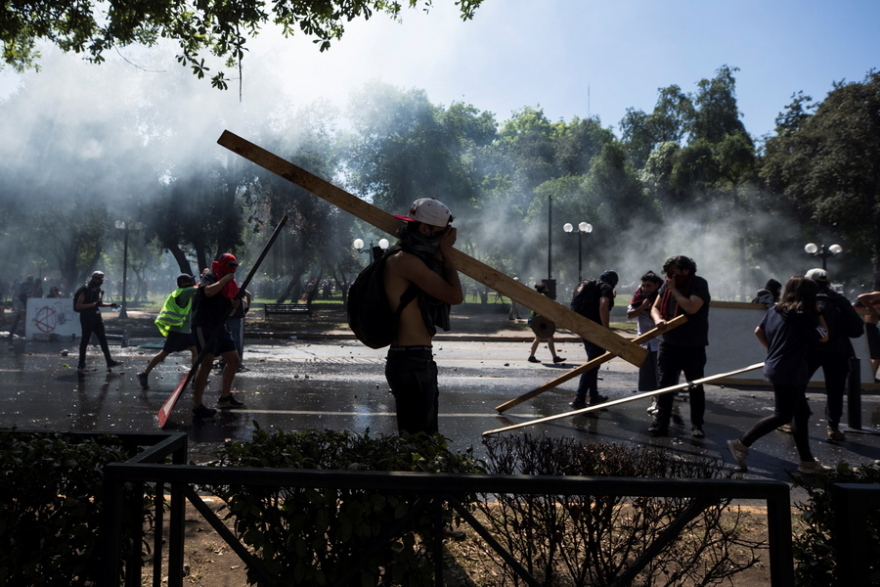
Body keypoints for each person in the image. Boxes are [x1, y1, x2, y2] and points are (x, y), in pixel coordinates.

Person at [727, 275, 831, 474]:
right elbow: (824, 336)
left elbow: (758, 331)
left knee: (801, 413)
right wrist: (818, 313)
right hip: (791, 370)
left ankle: (807, 462)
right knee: (782, 415)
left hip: (778, 366)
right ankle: (741, 444)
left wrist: (773, 351)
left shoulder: (775, 309)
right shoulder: (803, 315)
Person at [383, 197, 463, 436]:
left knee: (422, 437)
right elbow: (455, 295)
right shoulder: (406, 261)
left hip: (414, 359)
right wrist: (446, 253)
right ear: (426, 229)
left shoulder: (407, 257)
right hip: (411, 362)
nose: (446, 237)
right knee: (419, 442)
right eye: (443, 232)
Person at [649, 255, 711, 438]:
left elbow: (691, 307)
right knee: (665, 385)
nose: (669, 276)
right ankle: (661, 424)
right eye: (667, 273)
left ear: (686, 271)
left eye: (673, 272)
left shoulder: (699, 284)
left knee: (695, 385)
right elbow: (655, 307)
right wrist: (658, 319)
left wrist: (673, 289)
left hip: (693, 344)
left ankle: (697, 425)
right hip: (669, 342)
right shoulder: (667, 284)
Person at [804, 268, 863, 441]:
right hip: (838, 351)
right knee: (835, 391)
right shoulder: (839, 300)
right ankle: (833, 427)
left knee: (797, 385)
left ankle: (790, 421)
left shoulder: (805, 300)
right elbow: (857, 329)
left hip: (810, 350)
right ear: (828, 283)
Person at [191, 254, 245, 419]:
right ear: (222, 264)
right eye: (230, 264)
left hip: (220, 326)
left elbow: (231, 313)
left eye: (235, 265)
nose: (233, 268)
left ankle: (225, 396)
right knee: (207, 364)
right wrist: (224, 279)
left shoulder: (231, 285)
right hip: (204, 325)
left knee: (234, 360)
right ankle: (198, 405)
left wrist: (234, 306)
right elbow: (208, 292)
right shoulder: (210, 276)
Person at [137, 274, 198, 390]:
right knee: (163, 353)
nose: (192, 282)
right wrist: (206, 277)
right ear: (183, 283)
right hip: (178, 331)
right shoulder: (184, 292)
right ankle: (144, 374)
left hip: (184, 330)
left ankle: (196, 377)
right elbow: (199, 288)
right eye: (190, 280)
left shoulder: (182, 292)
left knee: (195, 352)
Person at [570, 270, 618, 409]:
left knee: (593, 363)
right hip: (596, 330)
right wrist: (605, 330)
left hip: (582, 327)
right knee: (592, 365)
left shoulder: (588, 284)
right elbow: (603, 306)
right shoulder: (606, 288)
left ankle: (593, 395)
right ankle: (579, 398)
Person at [74, 271, 122, 374]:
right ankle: (81, 364)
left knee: (103, 339)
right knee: (85, 341)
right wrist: (93, 304)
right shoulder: (84, 290)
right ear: (93, 279)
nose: (100, 281)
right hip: (86, 318)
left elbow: (99, 303)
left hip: (96, 317)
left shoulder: (97, 289)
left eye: (101, 280)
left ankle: (109, 361)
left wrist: (111, 304)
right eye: (98, 279)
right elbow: (78, 306)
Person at [627, 271, 664, 393]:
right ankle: (651, 396)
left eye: (648, 286)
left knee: (661, 373)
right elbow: (630, 315)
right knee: (646, 374)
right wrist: (643, 306)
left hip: (660, 341)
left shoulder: (663, 297)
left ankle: (663, 396)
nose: (645, 289)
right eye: (643, 285)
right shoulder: (639, 297)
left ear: (656, 285)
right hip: (644, 341)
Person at [527, 281, 566, 364]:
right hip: (539, 321)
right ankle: (554, 357)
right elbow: (543, 309)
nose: (548, 289)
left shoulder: (537, 296)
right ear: (543, 289)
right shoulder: (543, 296)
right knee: (548, 337)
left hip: (535, 320)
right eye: (546, 288)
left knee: (540, 338)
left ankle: (532, 356)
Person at [855, 289, 880, 382]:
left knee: (876, 355)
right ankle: (869, 379)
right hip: (867, 326)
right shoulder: (878, 295)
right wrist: (872, 310)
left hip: (872, 327)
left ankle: (870, 377)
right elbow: (861, 297)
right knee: (876, 355)